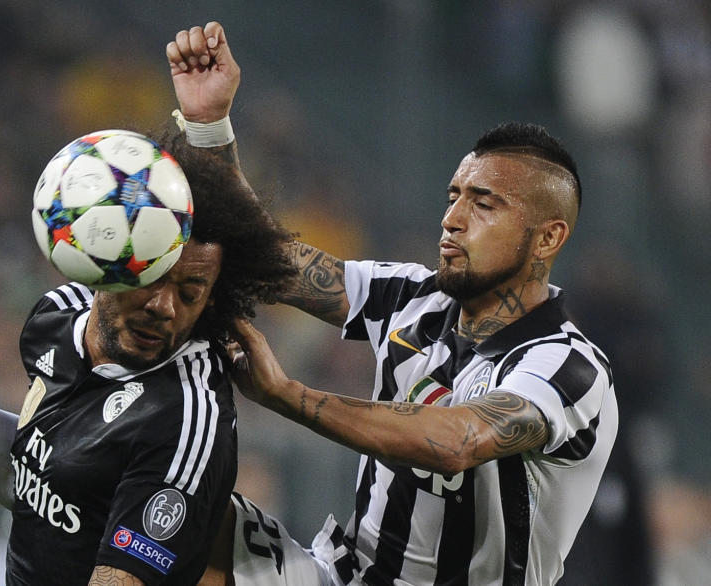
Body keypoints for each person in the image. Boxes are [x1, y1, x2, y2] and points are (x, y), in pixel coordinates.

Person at [167, 22, 618, 585]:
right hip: (343, 574)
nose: (452, 219)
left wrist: (287, 396)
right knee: (175, 508)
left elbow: (458, 440)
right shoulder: (410, 295)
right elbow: (266, 258)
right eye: (453, 196)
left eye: (484, 205)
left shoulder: (568, 368)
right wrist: (210, 125)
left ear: (548, 238)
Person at [0, 132, 297, 585]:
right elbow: (46, 486)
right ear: (107, 258)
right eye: (152, 273)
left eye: (190, 293)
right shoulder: (54, 320)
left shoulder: (183, 414)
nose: (164, 305)